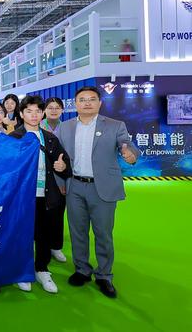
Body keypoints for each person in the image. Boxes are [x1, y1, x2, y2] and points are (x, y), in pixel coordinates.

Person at [55, 86, 139, 298]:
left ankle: (104, 275)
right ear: (75, 104)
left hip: (103, 187)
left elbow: (127, 145)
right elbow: (56, 156)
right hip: (74, 186)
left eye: (92, 99)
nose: (87, 103)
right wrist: (59, 180)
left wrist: (130, 154)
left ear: (100, 103)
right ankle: (82, 270)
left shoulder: (115, 125)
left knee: (103, 234)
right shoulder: (64, 127)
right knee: (77, 232)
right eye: (82, 99)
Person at [9, 95, 72, 294]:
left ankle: (42, 269)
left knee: (44, 234)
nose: (34, 115)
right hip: (22, 197)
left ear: (43, 113)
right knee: (22, 234)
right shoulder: (13, 138)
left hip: (46, 195)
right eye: (29, 111)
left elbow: (65, 164)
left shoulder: (50, 138)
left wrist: (62, 167)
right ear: (21, 114)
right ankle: (22, 270)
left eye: (38, 111)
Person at [41, 97, 67, 263]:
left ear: (62, 110)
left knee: (57, 215)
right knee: (40, 216)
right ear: (44, 110)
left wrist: (64, 181)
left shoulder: (68, 128)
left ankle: (56, 247)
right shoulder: (36, 126)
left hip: (59, 179)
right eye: (50, 107)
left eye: (57, 107)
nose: (53, 110)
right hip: (39, 178)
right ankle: (40, 247)